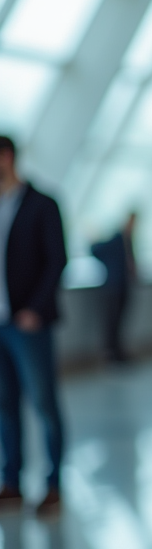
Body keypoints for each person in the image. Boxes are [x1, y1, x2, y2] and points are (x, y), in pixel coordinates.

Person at [0, 136, 67, 517]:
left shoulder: (43, 204)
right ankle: (12, 481)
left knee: (44, 403)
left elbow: (57, 260)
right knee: (4, 406)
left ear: (6, 157)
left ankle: (54, 484)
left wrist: (35, 310)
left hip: (28, 324)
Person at [91, 212, 137, 363]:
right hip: (113, 287)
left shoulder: (128, 240)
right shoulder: (116, 239)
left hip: (124, 286)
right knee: (112, 322)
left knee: (120, 322)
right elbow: (95, 249)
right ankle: (111, 355)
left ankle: (119, 353)